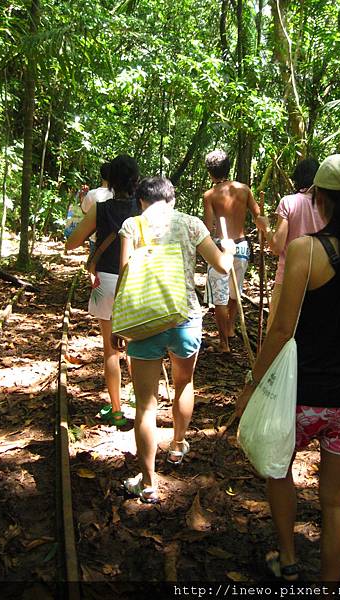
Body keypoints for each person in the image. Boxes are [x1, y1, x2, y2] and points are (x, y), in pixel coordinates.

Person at [236, 154, 340, 582]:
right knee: (336, 502)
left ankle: (288, 559)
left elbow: (281, 330)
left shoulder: (305, 251)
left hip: (300, 394)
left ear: (321, 201)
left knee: (279, 469)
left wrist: (253, 382)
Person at [117, 176, 235, 503]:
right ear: (172, 199)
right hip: (185, 317)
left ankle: (148, 481)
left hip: (144, 320)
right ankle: (179, 444)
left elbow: (125, 272)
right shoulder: (192, 224)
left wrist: (118, 326)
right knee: (184, 383)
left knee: (145, 405)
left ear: (142, 200)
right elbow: (223, 267)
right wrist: (227, 249)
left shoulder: (132, 225)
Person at [65, 155, 140, 427]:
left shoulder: (101, 208)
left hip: (106, 280)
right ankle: (142, 405)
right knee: (135, 346)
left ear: (109, 179)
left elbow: (72, 243)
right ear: (136, 180)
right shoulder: (142, 209)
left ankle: (117, 410)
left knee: (111, 350)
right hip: (136, 280)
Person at [203, 150, 264, 352]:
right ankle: (229, 328)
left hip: (221, 247)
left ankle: (223, 342)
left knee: (219, 297)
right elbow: (258, 214)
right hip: (242, 246)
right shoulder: (244, 189)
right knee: (234, 291)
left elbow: (208, 225)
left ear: (210, 172)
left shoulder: (210, 195)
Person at [258, 158, 325, 330]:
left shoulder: (289, 202)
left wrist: (266, 228)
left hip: (288, 278)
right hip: (321, 280)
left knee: (278, 332)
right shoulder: (327, 205)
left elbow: (277, 246)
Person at [81, 162, 113, 255]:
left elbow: (84, 211)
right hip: (114, 237)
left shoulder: (92, 194)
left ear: (101, 175)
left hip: (95, 237)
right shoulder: (118, 194)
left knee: (95, 267)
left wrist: (82, 197)